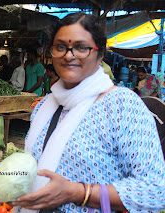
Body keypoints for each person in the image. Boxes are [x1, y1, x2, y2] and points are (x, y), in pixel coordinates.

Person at [11, 12, 165, 213]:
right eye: (60, 47)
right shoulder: (45, 105)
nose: (69, 55)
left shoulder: (122, 106)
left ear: (100, 54)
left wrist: (77, 193)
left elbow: (156, 190)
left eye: (81, 48)